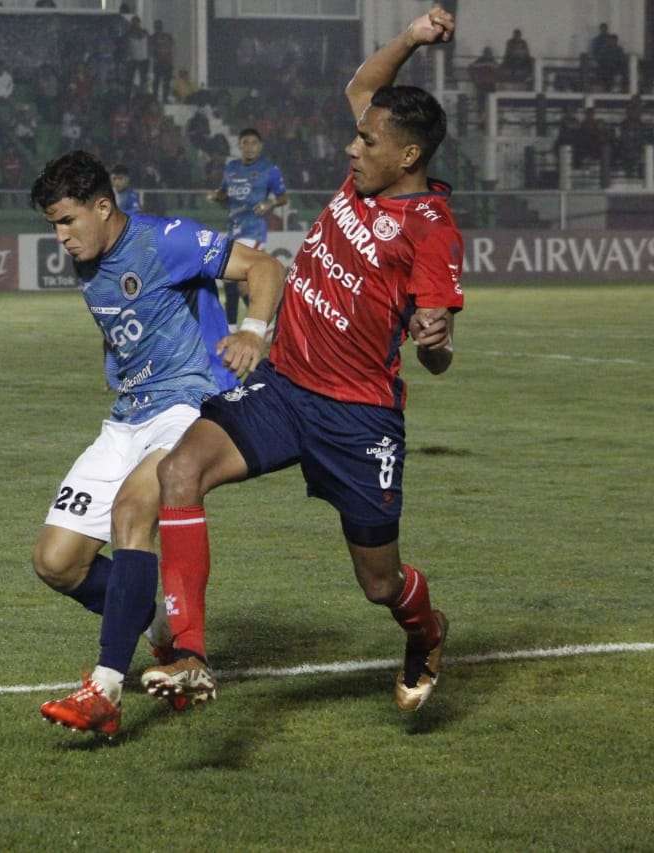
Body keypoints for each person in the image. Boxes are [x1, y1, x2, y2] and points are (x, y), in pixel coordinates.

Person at [140, 6, 463, 716]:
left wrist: (436, 346)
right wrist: (409, 38)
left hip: (358, 419)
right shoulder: (366, 177)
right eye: (356, 134)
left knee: (379, 584)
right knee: (180, 470)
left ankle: (426, 629)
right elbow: (364, 84)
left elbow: (436, 354)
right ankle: (189, 649)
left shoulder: (432, 232)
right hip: (285, 387)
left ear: (407, 155)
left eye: (366, 140)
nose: (351, 148)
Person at [31, 151, 284, 737]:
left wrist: (252, 331)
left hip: (187, 406)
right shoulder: (91, 260)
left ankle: (106, 689)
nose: (61, 237)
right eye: (53, 226)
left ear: (103, 205)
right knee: (57, 561)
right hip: (126, 417)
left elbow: (264, 268)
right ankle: (154, 622)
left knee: (132, 512)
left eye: (68, 221)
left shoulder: (164, 240)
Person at [211, 128, 288, 330]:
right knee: (241, 282)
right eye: (246, 142)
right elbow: (224, 195)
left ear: (260, 146)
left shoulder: (269, 169)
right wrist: (217, 196)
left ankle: (233, 326)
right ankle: (271, 323)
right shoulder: (231, 168)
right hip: (234, 228)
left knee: (230, 274)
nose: (250, 147)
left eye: (254, 143)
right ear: (239, 145)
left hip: (253, 230)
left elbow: (283, 197)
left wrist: (269, 204)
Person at [150, 20, 174, 103]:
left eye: (159, 25)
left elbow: (171, 47)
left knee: (166, 82)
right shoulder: (152, 38)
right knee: (156, 82)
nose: (157, 27)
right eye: (156, 26)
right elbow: (151, 50)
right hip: (158, 63)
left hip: (167, 62)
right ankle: (155, 98)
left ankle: (165, 98)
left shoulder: (167, 36)